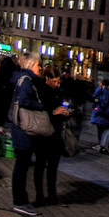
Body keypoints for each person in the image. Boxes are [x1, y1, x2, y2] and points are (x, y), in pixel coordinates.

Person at [6, 53, 48, 215]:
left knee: (22, 164)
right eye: (38, 65)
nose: (40, 68)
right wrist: (40, 106)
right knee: (22, 165)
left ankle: (21, 200)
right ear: (31, 65)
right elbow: (23, 101)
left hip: (21, 128)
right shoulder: (27, 80)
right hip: (24, 128)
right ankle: (19, 202)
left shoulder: (23, 79)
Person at [34, 63, 72, 202]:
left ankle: (51, 194)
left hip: (55, 132)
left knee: (53, 165)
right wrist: (55, 112)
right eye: (54, 81)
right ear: (47, 78)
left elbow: (59, 110)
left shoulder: (57, 92)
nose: (56, 84)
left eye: (58, 82)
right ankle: (40, 195)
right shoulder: (41, 91)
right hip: (43, 133)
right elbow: (42, 111)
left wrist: (65, 113)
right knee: (40, 165)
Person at [92, 81, 109, 153]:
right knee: (107, 130)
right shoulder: (106, 92)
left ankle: (103, 145)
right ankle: (104, 146)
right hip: (105, 114)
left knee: (103, 130)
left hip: (102, 113)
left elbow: (96, 100)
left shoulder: (103, 91)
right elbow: (104, 103)